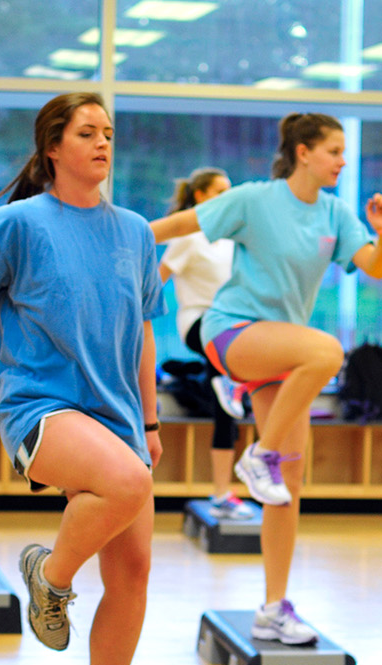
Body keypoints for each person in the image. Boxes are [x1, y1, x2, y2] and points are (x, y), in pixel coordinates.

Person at [0, 91, 163, 665]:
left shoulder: (135, 231)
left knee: (132, 571)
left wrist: (151, 419)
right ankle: (52, 571)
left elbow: (144, 336)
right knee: (126, 482)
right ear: (52, 148)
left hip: (121, 417)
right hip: (41, 408)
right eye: (87, 132)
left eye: (108, 133)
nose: (103, 143)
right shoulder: (16, 224)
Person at [150, 113, 382, 645]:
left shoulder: (335, 212)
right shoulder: (254, 199)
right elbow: (180, 225)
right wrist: (114, 240)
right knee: (328, 351)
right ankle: (257, 452)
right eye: (334, 150)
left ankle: (273, 606)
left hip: (283, 352)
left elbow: (374, 266)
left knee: (288, 487)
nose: (343, 160)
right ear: (304, 152)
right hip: (233, 331)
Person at [158, 166, 254, 520]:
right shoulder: (189, 237)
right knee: (225, 387)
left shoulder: (230, 239)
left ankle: (221, 493)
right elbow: (158, 279)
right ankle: (229, 379)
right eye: (219, 191)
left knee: (225, 413)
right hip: (199, 323)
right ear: (200, 196)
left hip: (231, 328)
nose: (226, 198)